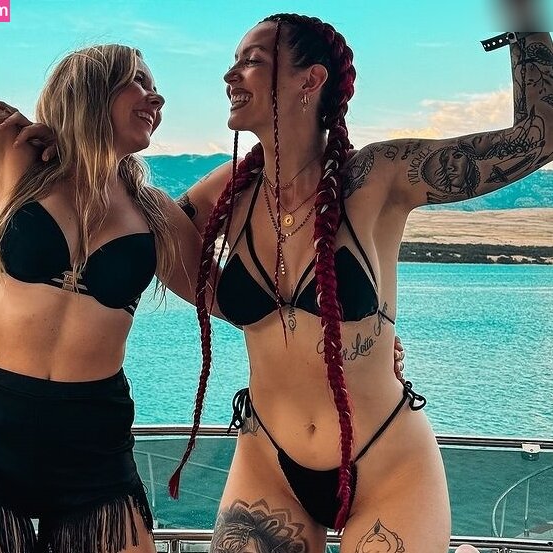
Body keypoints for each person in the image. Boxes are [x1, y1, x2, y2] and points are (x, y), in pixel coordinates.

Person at [168, 12, 551, 553]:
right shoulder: (228, 190)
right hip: (267, 462)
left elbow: (535, 139)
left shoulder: (380, 175)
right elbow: (150, 241)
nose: (231, 76)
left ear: (310, 79)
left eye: (251, 61)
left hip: (388, 465)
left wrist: (524, 22)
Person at [0, 22, 204, 553]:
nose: (156, 97)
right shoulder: (13, 160)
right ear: (91, 89)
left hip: (92, 438)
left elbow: (231, 301)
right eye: (138, 81)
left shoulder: (155, 212)